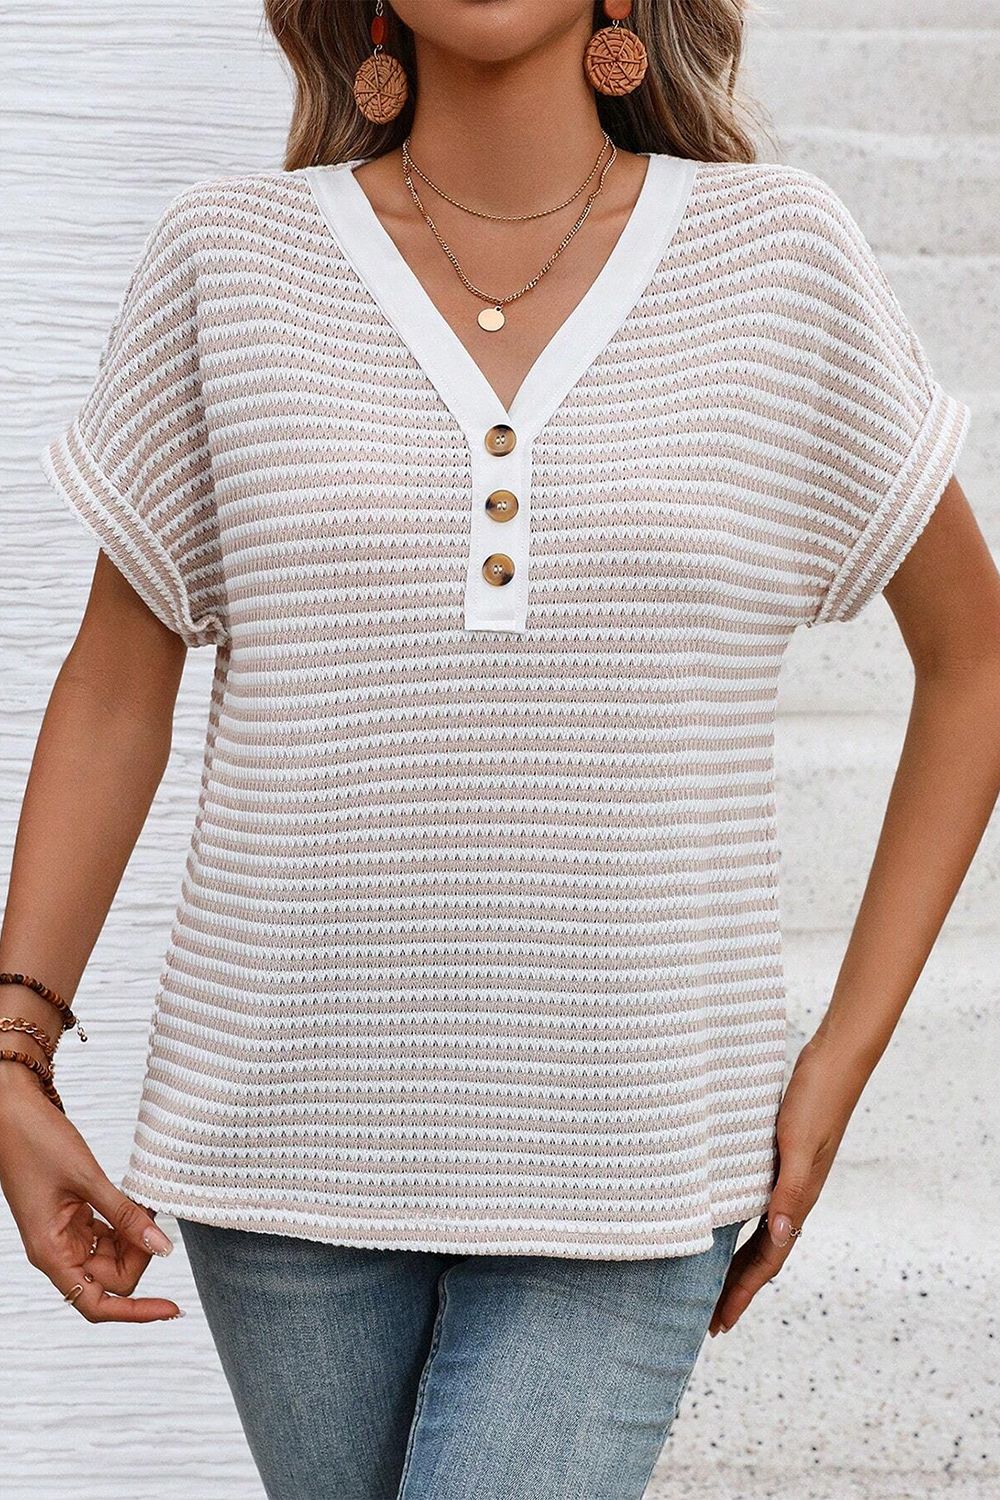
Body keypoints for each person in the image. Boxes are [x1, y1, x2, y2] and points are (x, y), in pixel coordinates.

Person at [2, 3, 998, 1497]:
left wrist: (838, 1063)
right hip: (281, 1150)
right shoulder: (230, 256)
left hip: (638, 1145)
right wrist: (13, 1054)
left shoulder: (778, 255)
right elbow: (113, 691)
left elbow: (976, 661)